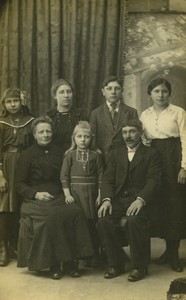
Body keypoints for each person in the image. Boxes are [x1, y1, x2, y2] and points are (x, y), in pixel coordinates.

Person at [15, 116, 93, 279]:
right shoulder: (27, 155)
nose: (45, 135)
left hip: (59, 195)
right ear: (35, 134)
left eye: (48, 131)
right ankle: (54, 263)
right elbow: (19, 183)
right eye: (41, 132)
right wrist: (36, 194)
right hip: (35, 199)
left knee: (75, 212)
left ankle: (71, 260)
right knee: (51, 217)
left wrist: (67, 194)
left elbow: (66, 176)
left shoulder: (61, 152)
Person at [97, 119, 161, 281]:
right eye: (125, 132)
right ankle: (116, 263)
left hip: (142, 201)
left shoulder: (151, 153)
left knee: (133, 221)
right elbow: (108, 179)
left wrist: (141, 199)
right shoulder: (115, 153)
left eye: (132, 132)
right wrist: (106, 200)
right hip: (119, 200)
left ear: (140, 133)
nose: (128, 136)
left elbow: (154, 180)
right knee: (104, 220)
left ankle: (139, 266)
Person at [140, 77, 186, 272]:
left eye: (164, 91)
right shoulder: (145, 114)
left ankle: (174, 253)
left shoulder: (179, 112)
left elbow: (185, 138)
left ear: (169, 93)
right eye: (157, 91)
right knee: (157, 203)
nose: (161, 95)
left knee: (174, 204)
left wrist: (184, 167)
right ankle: (165, 251)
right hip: (153, 159)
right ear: (150, 94)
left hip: (173, 158)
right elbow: (142, 137)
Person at [61, 121, 104, 267]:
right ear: (74, 138)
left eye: (86, 136)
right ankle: (81, 254)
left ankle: (95, 253)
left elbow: (101, 177)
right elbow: (64, 176)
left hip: (92, 193)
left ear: (91, 138)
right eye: (79, 136)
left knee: (93, 223)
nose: (83, 140)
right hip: (76, 193)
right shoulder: (70, 155)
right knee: (80, 224)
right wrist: (67, 194)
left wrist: (100, 194)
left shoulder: (96, 155)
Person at [0, 87, 34, 267]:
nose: (13, 104)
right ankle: (3, 247)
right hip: (6, 165)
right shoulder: (1, 122)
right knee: (6, 206)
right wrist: (0, 176)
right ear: (4, 104)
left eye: (16, 100)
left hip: (24, 164)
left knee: (22, 204)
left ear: (21, 102)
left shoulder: (29, 121)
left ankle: (18, 245)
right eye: (9, 101)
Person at [90, 75, 138, 165]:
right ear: (103, 92)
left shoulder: (131, 112)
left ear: (122, 91)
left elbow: (135, 139)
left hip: (126, 159)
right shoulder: (95, 114)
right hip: (103, 160)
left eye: (117, 88)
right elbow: (93, 139)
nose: (113, 92)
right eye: (109, 89)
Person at [47, 78, 85, 157]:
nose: (66, 95)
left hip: (76, 157)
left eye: (69, 92)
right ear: (55, 95)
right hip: (53, 158)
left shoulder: (81, 115)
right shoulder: (49, 117)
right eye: (61, 92)